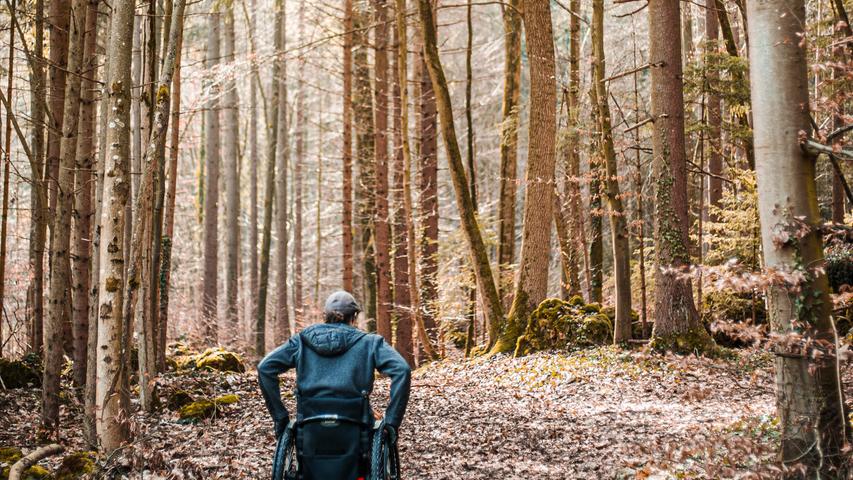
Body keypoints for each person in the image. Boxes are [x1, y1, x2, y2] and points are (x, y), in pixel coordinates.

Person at [257, 290, 412, 449]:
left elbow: (265, 368)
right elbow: (402, 370)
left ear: (326, 316)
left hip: (309, 421)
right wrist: (392, 421)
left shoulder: (301, 341)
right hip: (357, 421)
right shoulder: (370, 343)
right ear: (353, 317)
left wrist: (280, 418)